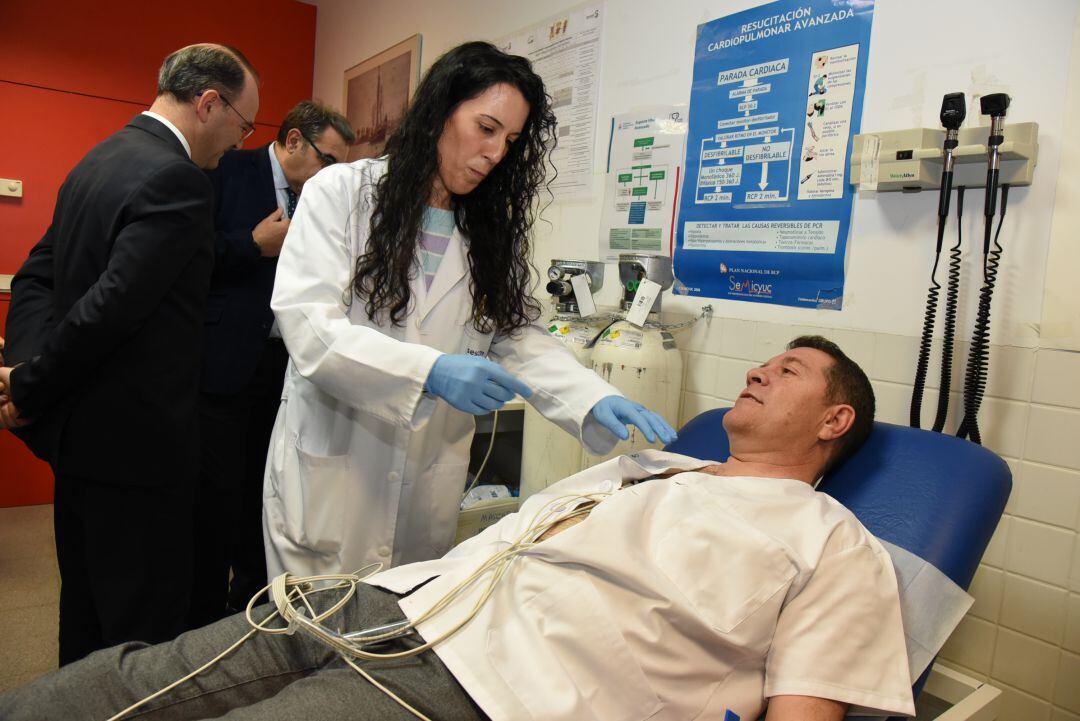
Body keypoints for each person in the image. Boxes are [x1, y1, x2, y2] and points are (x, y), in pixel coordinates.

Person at [0, 336, 916, 721]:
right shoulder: (654, 464)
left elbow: (807, 706)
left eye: (790, 371)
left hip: (480, 685)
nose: (758, 370)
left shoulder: (833, 542)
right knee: (127, 679)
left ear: (834, 422)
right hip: (387, 603)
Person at [263, 41, 676, 580]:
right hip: (334, 474)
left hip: (425, 484)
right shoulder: (342, 194)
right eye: (485, 128)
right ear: (440, 112)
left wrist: (592, 398)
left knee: (398, 643)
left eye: (509, 140)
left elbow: (515, 338)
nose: (496, 153)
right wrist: (427, 372)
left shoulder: (486, 232)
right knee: (307, 647)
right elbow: (310, 326)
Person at [0, 44, 260, 665]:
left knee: (84, 610)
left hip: (82, 442)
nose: (238, 143)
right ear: (208, 103)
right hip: (138, 452)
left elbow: (38, 277)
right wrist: (30, 384)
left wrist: (25, 371)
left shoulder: (100, 158)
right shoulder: (180, 180)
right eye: (243, 126)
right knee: (140, 636)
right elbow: (112, 310)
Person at [192, 101, 355, 628]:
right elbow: (185, 256)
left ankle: (253, 606)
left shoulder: (325, 202)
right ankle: (203, 616)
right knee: (215, 496)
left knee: (268, 492)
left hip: (287, 368)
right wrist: (251, 245)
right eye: (327, 160)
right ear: (291, 141)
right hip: (222, 366)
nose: (332, 175)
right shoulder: (225, 171)